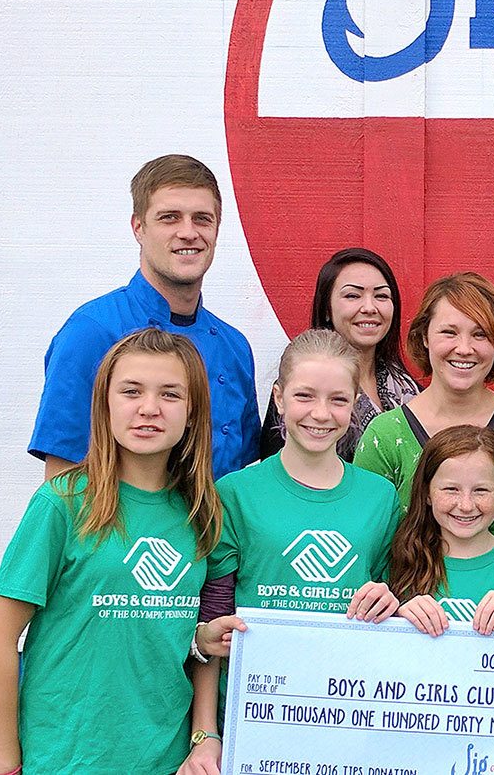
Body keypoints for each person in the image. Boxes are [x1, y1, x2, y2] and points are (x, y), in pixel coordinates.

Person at [0, 329, 224, 774]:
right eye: (131, 391)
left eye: (170, 394)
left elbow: (170, 633)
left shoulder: (201, 512)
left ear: (192, 413)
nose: (149, 408)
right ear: (105, 404)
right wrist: (6, 765)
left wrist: (201, 641)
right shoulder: (63, 502)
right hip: (66, 759)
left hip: (165, 761)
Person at [186, 329, 401, 771]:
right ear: (279, 398)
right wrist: (206, 734)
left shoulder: (380, 497)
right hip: (251, 719)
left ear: (355, 405)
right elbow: (213, 622)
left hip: (347, 719)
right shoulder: (235, 492)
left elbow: (391, 599)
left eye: (339, 400)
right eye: (305, 396)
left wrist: (391, 600)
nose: (321, 414)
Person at [28, 154, 260, 481]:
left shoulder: (234, 346)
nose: (188, 232)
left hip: (215, 532)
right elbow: (63, 481)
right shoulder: (93, 330)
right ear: (139, 227)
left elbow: (243, 477)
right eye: (169, 218)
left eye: (202, 219)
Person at [354, 272, 494, 548]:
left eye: (480, 334)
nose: (464, 348)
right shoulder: (385, 434)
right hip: (412, 590)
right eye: (449, 332)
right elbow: (367, 545)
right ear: (425, 337)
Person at [259, 248, 420, 461]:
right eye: (353, 295)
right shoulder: (298, 387)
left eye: (381, 295)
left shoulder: (410, 391)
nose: (369, 307)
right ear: (326, 308)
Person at [385, 424, 494, 636]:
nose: (466, 505)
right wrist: (396, 616)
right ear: (427, 492)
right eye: (451, 489)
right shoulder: (400, 558)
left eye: (481, 490)